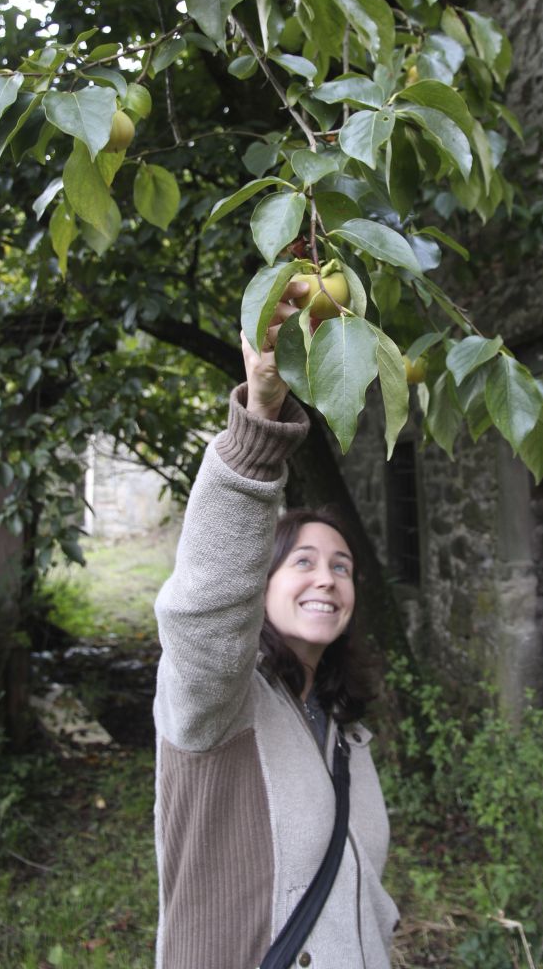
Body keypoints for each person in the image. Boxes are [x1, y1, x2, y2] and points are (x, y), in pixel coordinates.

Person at [153, 280, 399, 969]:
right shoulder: (215, 708)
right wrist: (259, 423)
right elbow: (204, 607)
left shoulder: (342, 726)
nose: (327, 577)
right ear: (256, 588)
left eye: (343, 567)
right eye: (303, 563)